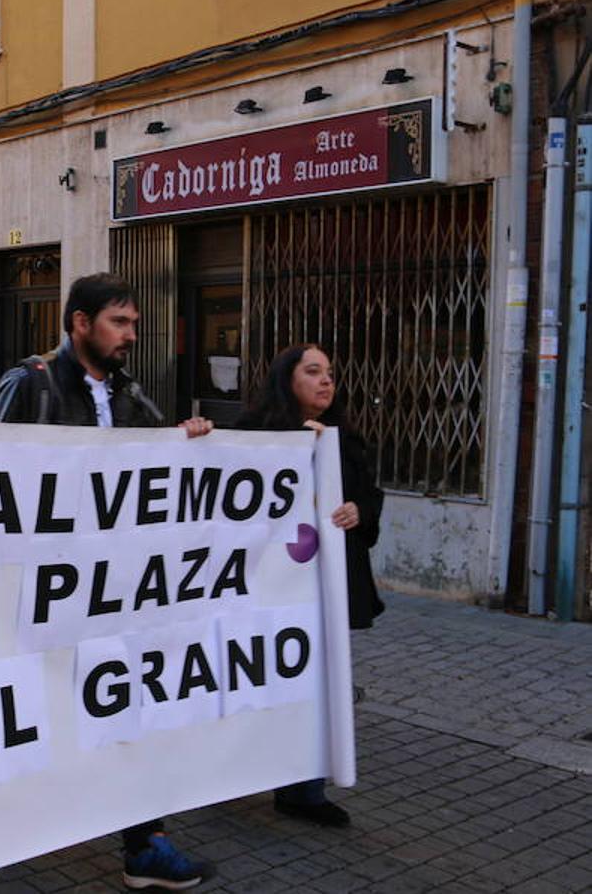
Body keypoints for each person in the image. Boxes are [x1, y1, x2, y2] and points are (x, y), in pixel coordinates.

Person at [0, 272, 216, 891]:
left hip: (115, 595)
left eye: (135, 324)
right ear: (80, 323)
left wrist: (185, 441)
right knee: (39, 715)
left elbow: (153, 470)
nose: (130, 335)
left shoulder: (129, 394)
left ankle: (146, 843)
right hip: (47, 593)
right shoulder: (30, 384)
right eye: (119, 322)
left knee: (130, 706)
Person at [236, 342, 384, 828]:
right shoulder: (255, 435)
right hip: (271, 586)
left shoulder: (343, 438)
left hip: (325, 584)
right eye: (313, 372)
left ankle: (303, 788)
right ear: (287, 380)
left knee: (318, 686)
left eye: (330, 373)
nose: (326, 381)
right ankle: (230, 770)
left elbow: (367, 496)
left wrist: (358, 510)